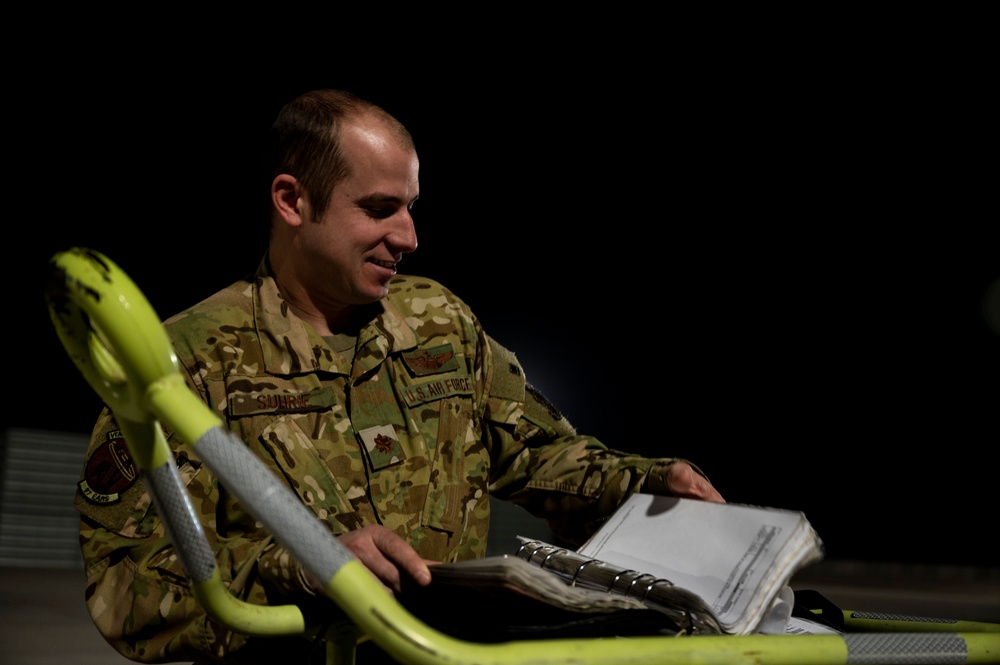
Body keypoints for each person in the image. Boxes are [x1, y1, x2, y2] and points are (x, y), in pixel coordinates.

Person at [75, 88, 724, 664]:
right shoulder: (184, 361)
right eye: (381, 208)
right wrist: (304, 569)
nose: (409, 235)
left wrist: (647, 483)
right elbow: (128, 588)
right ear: (292, 200)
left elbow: (535, 453)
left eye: (411, 207)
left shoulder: (439, 320)